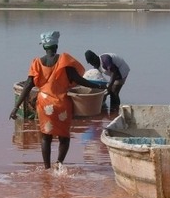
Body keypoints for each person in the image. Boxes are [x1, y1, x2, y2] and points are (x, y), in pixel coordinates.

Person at [9, 31, 106, 170]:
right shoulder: (64, 61)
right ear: (56, 46)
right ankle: (59, 165)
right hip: (61, 103)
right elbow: (80, 80)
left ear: (44, 47)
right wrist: (98, 86)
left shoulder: (36, 63)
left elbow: (28, 86)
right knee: (64, 137)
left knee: (45, 137)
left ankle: (47, 168)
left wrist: (16, 107)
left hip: (44, 104)